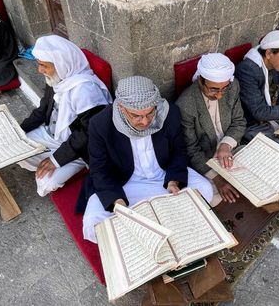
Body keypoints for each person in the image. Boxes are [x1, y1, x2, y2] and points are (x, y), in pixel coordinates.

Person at [78, 76, 214, 243]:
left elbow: (179, 152)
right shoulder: (100, 124)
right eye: (136, 116)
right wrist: (118, 202)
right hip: (126, 183)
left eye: (150, 113)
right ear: (121, 107)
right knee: (93, 222)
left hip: (163, 176)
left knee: (205, 189)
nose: (145, 121)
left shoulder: (169, 113)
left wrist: (173, 181)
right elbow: (99, 170)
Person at [18, 36, 112, 197]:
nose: (39, 70)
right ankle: (45, 157)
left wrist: (56, 160)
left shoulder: (86, 91)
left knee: (47, 183)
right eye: (39, 64)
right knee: (16, 151)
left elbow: (88, 134)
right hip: (51, 135)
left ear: (61, 64)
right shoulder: (58, 78)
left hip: (80, 148)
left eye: (43, 65)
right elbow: (41, 111)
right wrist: (17, 131)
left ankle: (76, 165)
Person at [175, 53, 246, 205]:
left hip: (230, 149)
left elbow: (239, 122)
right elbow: (191, 150)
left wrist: (225, 145)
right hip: (207, 159)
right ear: (200, 80)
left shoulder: (232, 87)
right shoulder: (186, 105)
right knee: (211, 197)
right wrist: (217, 179)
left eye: (223, 89)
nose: (220, 95)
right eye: (214, 90)